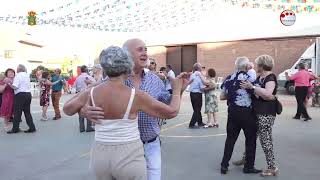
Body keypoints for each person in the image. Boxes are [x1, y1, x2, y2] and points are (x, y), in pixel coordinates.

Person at [63, 46, 185, 180]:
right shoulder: (135, 96)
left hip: (100, 157)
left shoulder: (92, 91)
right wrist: (177, 89)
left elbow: (67, 109)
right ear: (128, 66)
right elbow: (172, 111)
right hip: (129, 156)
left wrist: (82, 109)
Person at [220, 57, 261, 175]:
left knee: (230, 139)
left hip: (233, 112)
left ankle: (224, 165)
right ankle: (249, 166)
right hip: (247, 113)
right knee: (250, 140)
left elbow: (222, 97)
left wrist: (234, 94)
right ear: (247, 66)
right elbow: (258, 95)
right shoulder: (251, 79)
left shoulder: (229, 78)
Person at [239, 55, 279, 176]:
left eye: (257, 64)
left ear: (262, 65)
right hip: (257, 111)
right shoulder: (260, 77)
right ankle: (246, 158)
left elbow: (267, 94)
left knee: (265, 139)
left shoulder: (270, 77)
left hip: (266, 113)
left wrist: (253, 87)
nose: (256, 66)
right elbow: (260, 94)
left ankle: (272, 167)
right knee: (251, 136)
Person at [7, 64, 36, 134]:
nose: (16, 70)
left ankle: (15, 129)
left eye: (17, 68)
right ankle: (32, 127)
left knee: (17, 112)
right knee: (27, 112)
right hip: (28, 94)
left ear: (19, 69)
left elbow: (15, 87)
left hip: (20, 95)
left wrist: (9, 84)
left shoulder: (18, 75)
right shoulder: (27, 75)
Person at [74, 65, 95, 132]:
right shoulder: (89, 77)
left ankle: (81, 127)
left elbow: (75, 87)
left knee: (80, 110)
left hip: (80, 95)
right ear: (87, 70)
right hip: (88, 95)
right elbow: (96, 84)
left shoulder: (78, 78)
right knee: (88, 110)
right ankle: (89, 127)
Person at [188, 63, 206, 129]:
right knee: (197, 109)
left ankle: (200, 122)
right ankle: (191, 124)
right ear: (198, 68)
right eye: (201, 67)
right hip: (197, 94)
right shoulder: (199, 75)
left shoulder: (192, 74)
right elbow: (201, 85)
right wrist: (206, 90)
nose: (201, 68)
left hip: (192, 93)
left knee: (196, 109)